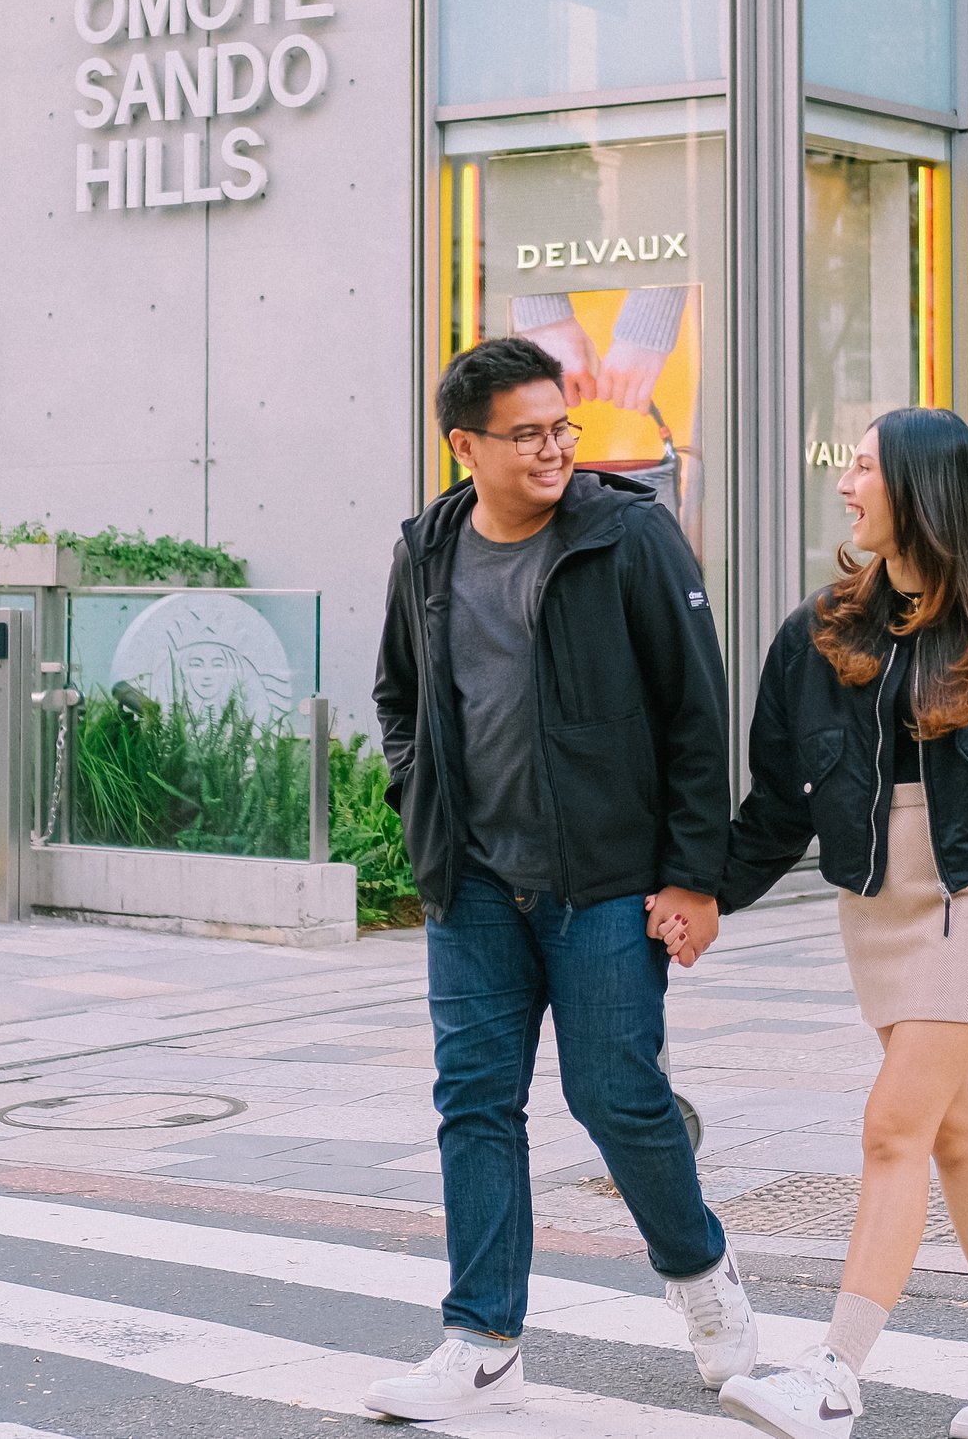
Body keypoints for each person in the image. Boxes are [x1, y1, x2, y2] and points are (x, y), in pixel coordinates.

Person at [364, 334, 755, 1421]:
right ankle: (481, 1337)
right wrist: (420, 803)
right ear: (465, 445)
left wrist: (693, 878)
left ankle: (701, 1276)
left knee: (615, 1098)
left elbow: (695, 713)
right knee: (475, 1105)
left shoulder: (626, 534)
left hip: (605, 880)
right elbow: (398, 695)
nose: (553, 451)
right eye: (527, 433)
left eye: (561, 427)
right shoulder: (428, 550)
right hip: (476, 882)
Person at [708, 408, 968, 1439]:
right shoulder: (819, 630)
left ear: (919, 489)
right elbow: (778, 801)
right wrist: (706, 892)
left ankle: (834, 1374)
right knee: (957, 1134)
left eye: (863, 469)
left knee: (893, 1127)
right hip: (874, 896)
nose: (845, 485)